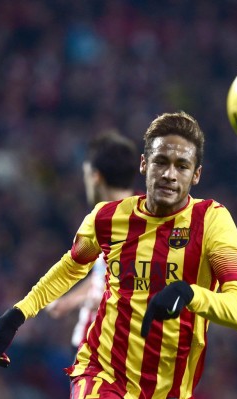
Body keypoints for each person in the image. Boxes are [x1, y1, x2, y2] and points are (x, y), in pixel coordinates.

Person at [0, 111, 237, 399]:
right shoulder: (108, 218)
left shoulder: (211, 220)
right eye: (160, 162)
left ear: (196, 174)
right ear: (144, 164)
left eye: (182, 166)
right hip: (102, 375)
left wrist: (189, 294)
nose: (169, 174)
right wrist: (18, 314)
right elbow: (71, 267)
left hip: (171, 390)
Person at [46, 130, 139, 349]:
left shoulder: (128, 223)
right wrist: (68, 302)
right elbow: (105, 276)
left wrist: (83, 301)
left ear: (95, 176)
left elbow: (130, 289)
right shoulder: (116, 217)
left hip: (108, 349)